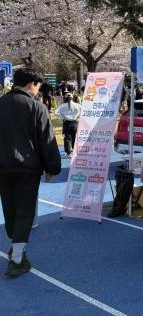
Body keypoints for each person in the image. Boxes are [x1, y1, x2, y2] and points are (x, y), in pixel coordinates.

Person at [0, 68, 61, 278]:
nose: (38, 90)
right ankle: (17, 259)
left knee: (9, 208)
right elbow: (47, 141)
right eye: (38, 86)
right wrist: (52, 168)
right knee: (25, 211)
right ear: (31, 84)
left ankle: (16, 247)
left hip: (3, 168)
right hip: (27, 168)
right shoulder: (36, 107)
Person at [55, 93, 82, 158]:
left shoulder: (62, 106)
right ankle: (75, 151)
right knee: (74, 137)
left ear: (65, 98)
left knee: (67, 138)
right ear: (72, 98)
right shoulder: (77, 105)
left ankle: (69, 152)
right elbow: (82, 112)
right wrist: (78, 118)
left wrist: (62, 118)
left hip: (66, 123)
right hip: (75, 123)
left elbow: (56, 112)